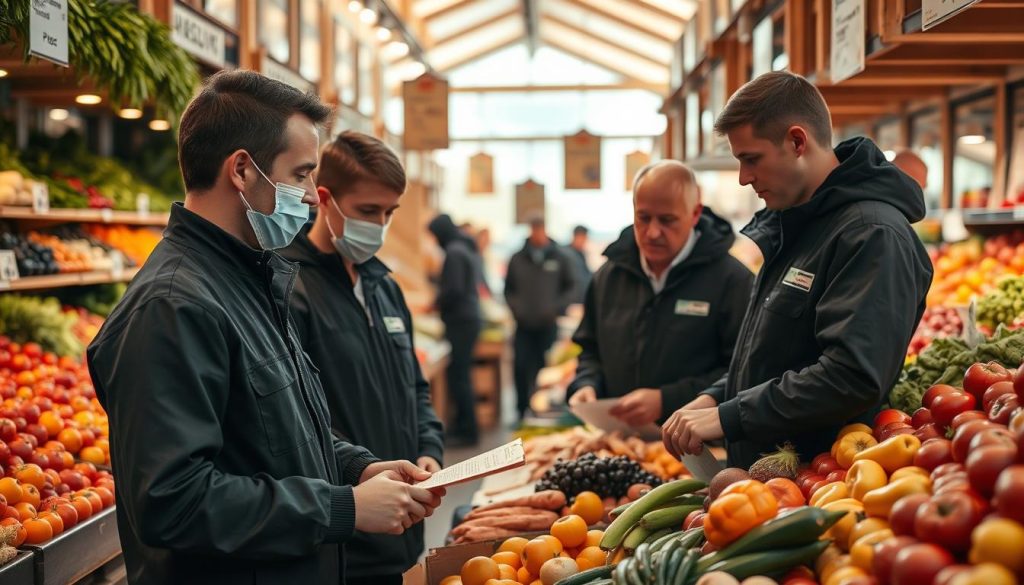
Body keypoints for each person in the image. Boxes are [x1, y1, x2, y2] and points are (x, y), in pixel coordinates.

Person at [86, 71, 443, 585]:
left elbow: (274, 433)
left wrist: (357, 469)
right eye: (300, 175)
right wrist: (341, 507)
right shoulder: (173, 307)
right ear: (242, 171)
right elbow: (172, 502)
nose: (312, 196)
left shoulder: (252, 279)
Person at [662, 71, 934, 468]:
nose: (744, 178)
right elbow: (781, 354)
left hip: (821, 484)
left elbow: (851, 376)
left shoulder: (871, 235)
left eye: (750, 159)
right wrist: (717, 397)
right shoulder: (798, 224)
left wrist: (729, 416)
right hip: (771, 481)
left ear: (796, 141)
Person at [282, 131, 444, 585]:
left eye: (389, 213)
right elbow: (297, 418)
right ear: (325, 199)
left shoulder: (384, 286)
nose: (379, 225)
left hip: (406, 522)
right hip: (347, 532)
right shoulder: (291, 290)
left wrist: (428, 448)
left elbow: (414, 384)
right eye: (368, 212)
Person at [567, 162, 753, 428]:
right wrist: (587, 382)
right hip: (618, 443)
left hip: (698, 448)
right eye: (643, 218)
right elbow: (590, 349)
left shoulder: (733, 281)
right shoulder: (609, 277)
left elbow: (743, 372)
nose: (653, 232)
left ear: (695, 213)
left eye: (667, 220)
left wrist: (666, 400)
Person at [505, 214, 577, 419]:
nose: (537, 233)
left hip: (548, 325)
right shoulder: (517, 258)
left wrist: (556, 308)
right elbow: (508, 289)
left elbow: (571, 286)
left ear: (545, 229)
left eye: (540, 228)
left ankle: (541, 413)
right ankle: (521, 412)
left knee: (546, 372)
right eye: (533, 229)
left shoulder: (560, 257)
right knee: (520, 367)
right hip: (524, 325)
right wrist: (517, 309)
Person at [428, 214, 483, 447]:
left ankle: (466, 430)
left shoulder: (454, 252)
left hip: (461, 321)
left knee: (459, 376)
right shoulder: (464, 247)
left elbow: (454, 290)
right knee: (462, 375)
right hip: (469, 318)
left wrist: (436, 302)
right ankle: (465, 427)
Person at [565, 225, 593, 303]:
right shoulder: (566, 254)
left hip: (582, 300)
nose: (585, 241)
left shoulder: (581, 254)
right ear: (576, 236)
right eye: (583, 238)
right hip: (571, 302)